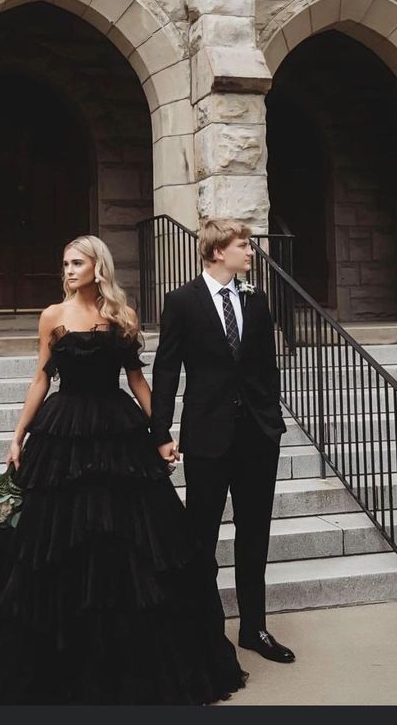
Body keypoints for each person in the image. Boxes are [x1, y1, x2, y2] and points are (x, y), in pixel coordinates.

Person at [0, 235, 248, 705]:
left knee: (126, 542)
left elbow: (136, 379)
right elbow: (42, 377)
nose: (67, 270)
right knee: (45, 545)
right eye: (64, 262)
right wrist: (17, 435)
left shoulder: (121, 318)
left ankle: (125, 665)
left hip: (116, 431)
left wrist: (162, 433)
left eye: (77, 262)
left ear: (97, 267)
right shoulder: (52, 316)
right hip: (62, 432)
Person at [150, 218, 295, 664]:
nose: (251, 252)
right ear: (218, 252)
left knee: (255, 535)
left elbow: (267, 369)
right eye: (243, 245)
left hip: (256, 437)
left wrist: (270, 420)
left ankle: (254, 628)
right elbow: (166, 370)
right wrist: (161, 433)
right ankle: (203, 630)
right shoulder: (181, 303)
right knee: (202, 537)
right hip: (207, 438)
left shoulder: (257, 301)